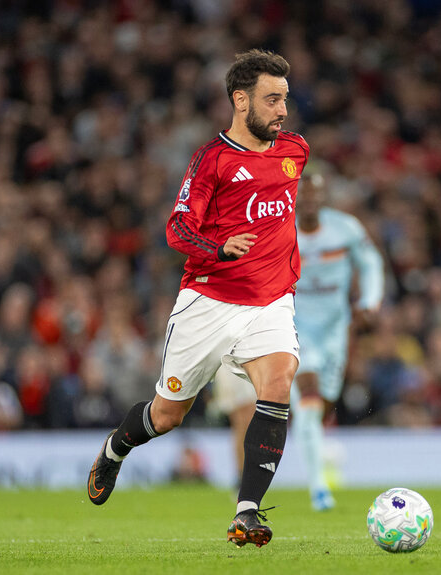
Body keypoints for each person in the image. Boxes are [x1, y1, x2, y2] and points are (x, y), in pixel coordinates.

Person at [87, 49, 309, 549]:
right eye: (272, 100)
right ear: (240, 99)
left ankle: (247, 511)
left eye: (285, 100)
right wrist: (220, 247)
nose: (282, 111)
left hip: (271, 301)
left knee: (278, 381)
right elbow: (177, 228)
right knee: (166, 416)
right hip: (208, 302)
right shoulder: (213, 160)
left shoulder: (295, 150)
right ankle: (115, 449)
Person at [213, 173, 384, 511]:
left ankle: (315, 462)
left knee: (320, 403)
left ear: (323, 197)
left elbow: (372, 263)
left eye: (315, 194)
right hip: (293, 328)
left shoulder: (345, 229)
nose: (309, 201)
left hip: (336, 330)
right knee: (309, 393)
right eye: (302, 195)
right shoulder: (277, 230)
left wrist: (370, 302)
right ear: (292, 198)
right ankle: (319, 489)